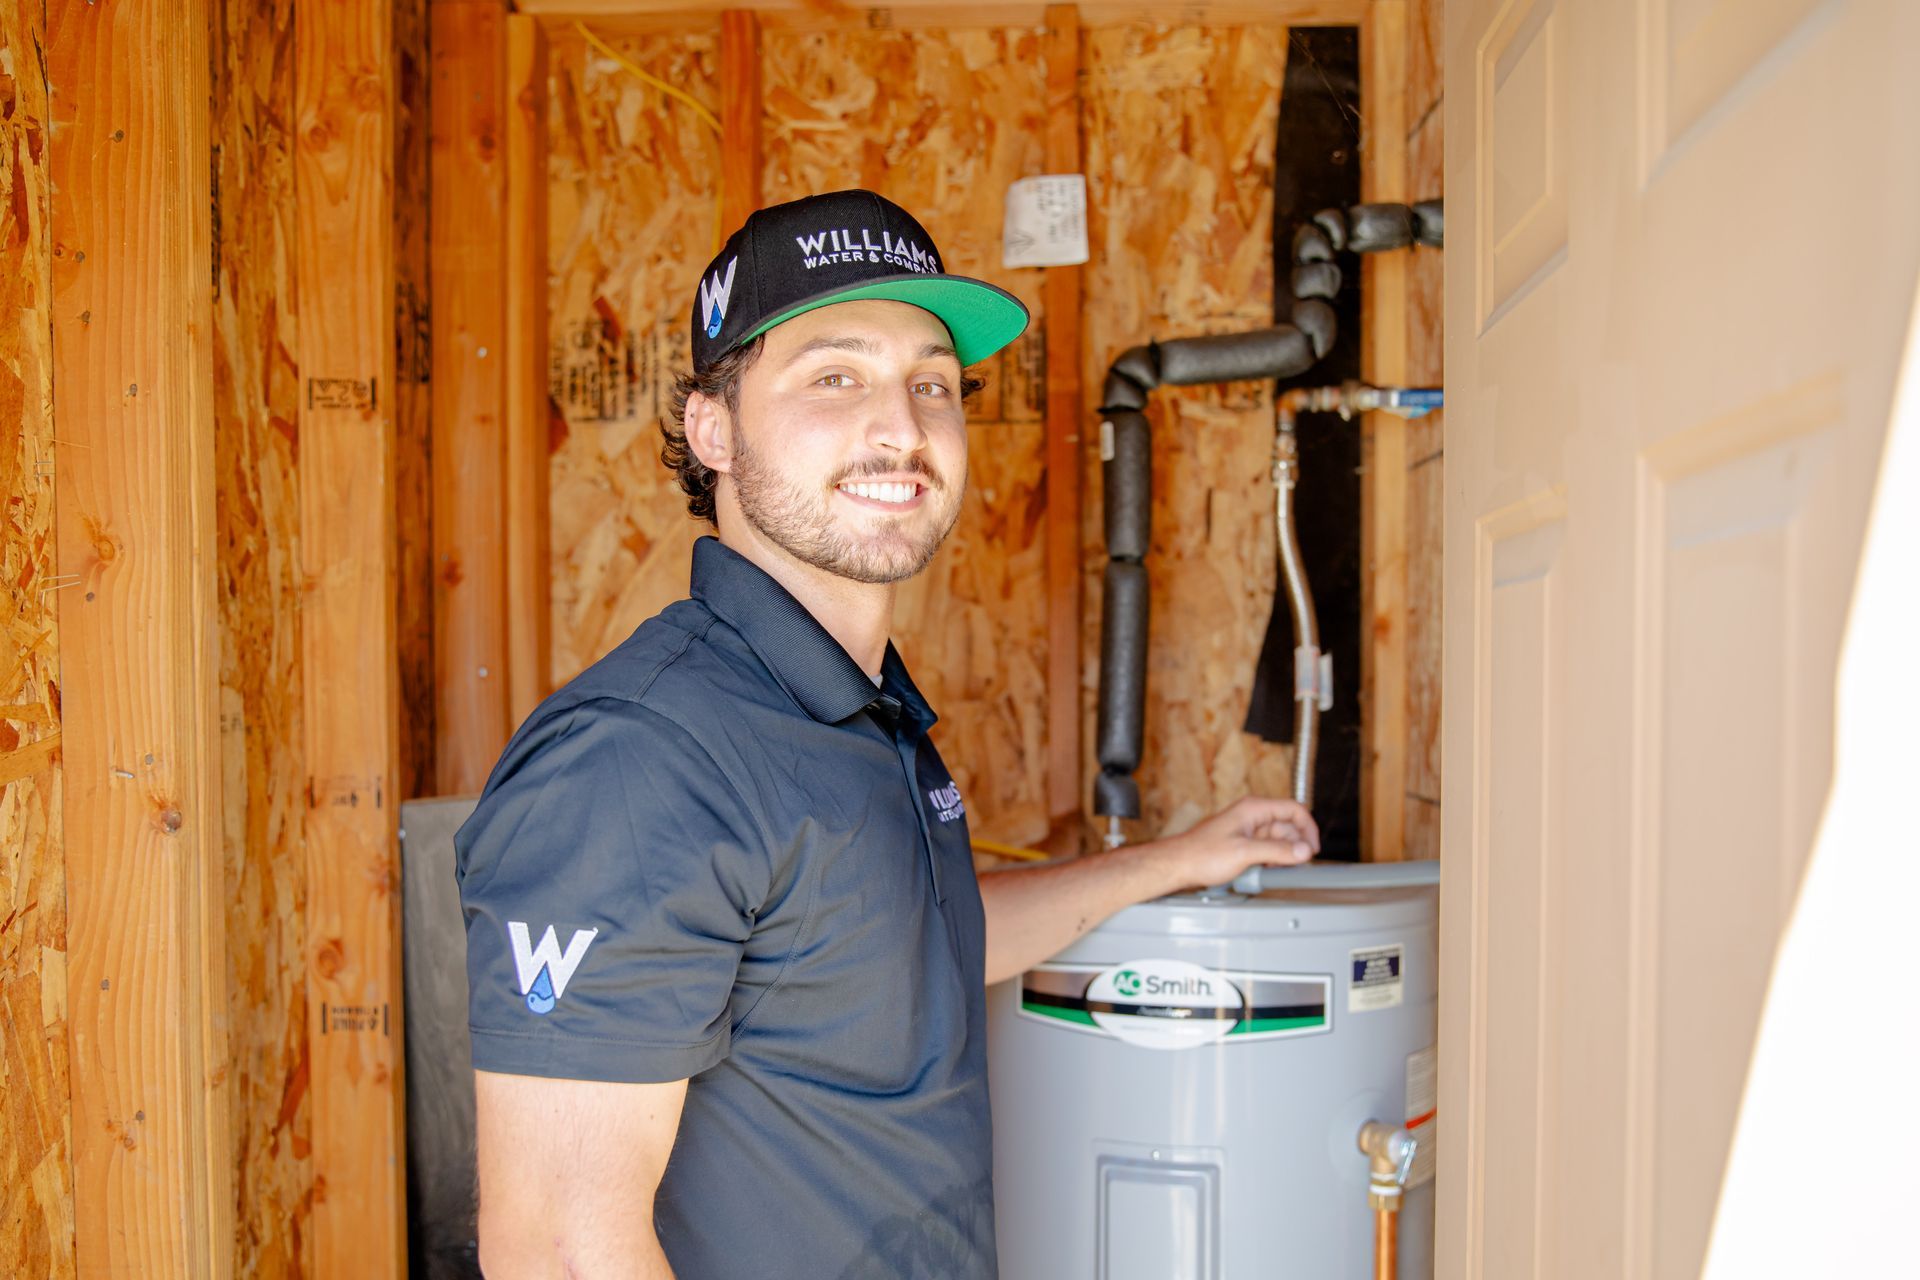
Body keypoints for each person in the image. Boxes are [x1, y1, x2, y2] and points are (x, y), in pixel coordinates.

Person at [456, 189, 1320, 1279]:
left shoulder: (865, 712)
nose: (902, 427)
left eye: (931, 383)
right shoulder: (639, 759)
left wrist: (1179, 858)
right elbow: (556, 1253)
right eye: (835, 375)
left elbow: (917, 942)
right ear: (711, 427)